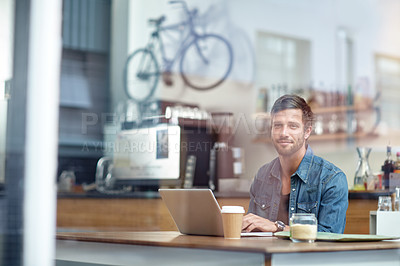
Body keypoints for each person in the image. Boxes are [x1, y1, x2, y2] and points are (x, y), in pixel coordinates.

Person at [242, 94, 348, 234]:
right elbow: (252, 230)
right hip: (268, 255)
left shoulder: (332, 179)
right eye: (278, 126)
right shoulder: (262, 175)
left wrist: (277, 228)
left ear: (307, 131)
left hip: (308, 256)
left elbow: (330, 236)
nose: (284, 133)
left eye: (293, 126)